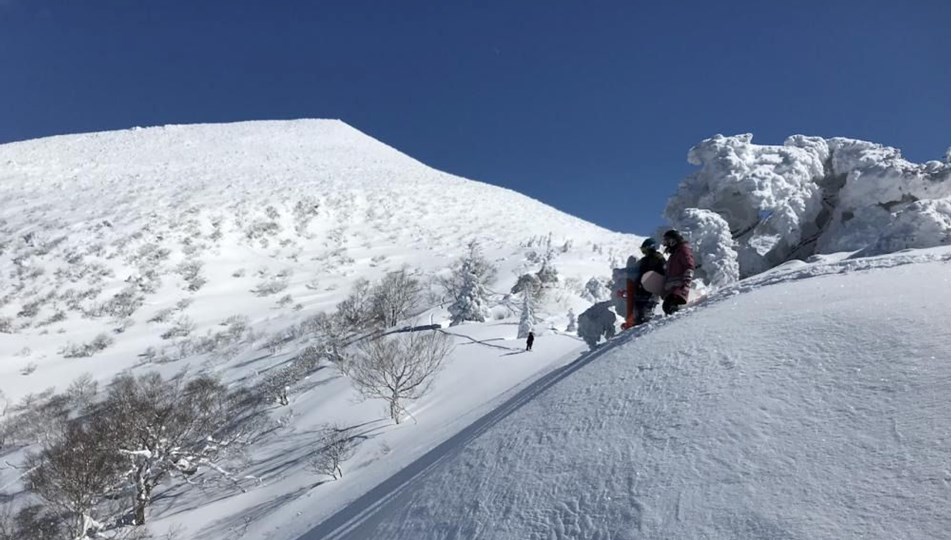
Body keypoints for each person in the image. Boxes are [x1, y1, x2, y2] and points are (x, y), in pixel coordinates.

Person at [631, 237, 666, 326]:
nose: (643, 252)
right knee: (638, 312)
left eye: (644, 249)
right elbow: (640, 274)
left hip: (651, 290)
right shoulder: (643, 260)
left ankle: (648, 329)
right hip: (641, 290)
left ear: (650, 247)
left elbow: (664, 272)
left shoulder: (658, 258)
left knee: (646, 312)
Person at [661, 229, 695, 315]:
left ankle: (677, 322)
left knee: (669, 306)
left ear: (673, 241)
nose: (666, 244)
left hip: (680, 287)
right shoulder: (674, 254)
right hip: (672, 288)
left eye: (667, 240)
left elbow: (689, 264)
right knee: (667, 306)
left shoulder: (683, 250)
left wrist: (686, 281)